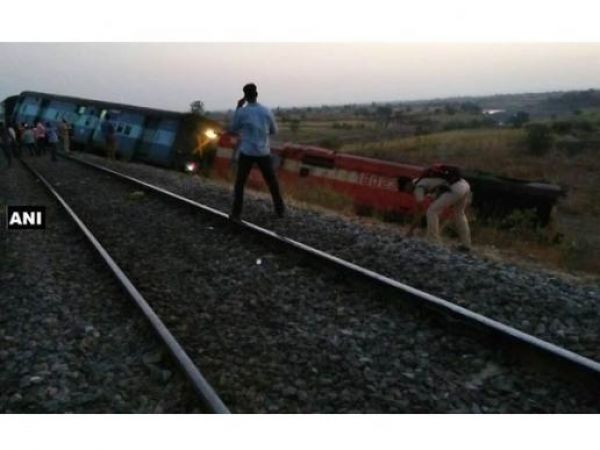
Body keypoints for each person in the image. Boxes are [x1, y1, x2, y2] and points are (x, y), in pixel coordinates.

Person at [228, 83, 285, 221]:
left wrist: (238, 107)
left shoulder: (242, 112)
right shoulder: (266, 111)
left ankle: (236, 213)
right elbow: (274, 131)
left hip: (247, 152)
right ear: (257, 94)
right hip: (263, 152)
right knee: (272, 182)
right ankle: (280, 210)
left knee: (240, 183)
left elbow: (233, 128)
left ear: (245, 97)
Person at [407, 164, 472, 250]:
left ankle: (433, 241)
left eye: (406, 190)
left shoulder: (418, 187)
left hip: (455, 188)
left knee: (431, 211)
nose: (407, 192)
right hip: (464, 185)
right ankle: (466, 244)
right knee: (459, 213)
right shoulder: (427, 181)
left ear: (408, 185)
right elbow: (438, 194)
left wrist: (411, 231)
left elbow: (420, 210)